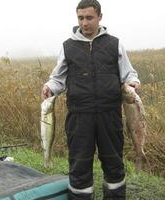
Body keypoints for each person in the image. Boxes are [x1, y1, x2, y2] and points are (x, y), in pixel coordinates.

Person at [41, 0, 140, 199]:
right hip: (79, 117)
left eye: (89, 18)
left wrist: (133, 83)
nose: (84, 23)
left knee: (114, 164)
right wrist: (49, 88)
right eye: (80, 18)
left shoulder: (114, 44)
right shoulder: (68, 46)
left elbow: (129, 74)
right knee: (79, 166)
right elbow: (58, 79)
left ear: (100, 17)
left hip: (109, 116)